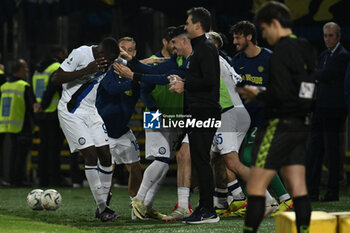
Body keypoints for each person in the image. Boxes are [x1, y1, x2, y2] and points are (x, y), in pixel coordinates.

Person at [237, 2, 316, 233]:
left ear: (274, 23)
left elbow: (280, 94)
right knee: (299, 188)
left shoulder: (281, 51)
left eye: (264, 28)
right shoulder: (305, 46)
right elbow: (309, 88)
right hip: (300, 124)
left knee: (256, 186)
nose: (263, 34)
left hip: (278, 125)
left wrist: (257, 93)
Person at [115, 27, 193, 221]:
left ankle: (145, 207)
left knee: (165, 163)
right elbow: (146, 88)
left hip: (177, 116)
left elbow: (163, 74)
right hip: (155, 114)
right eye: (171, 42)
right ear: (165, 42)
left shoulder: (179, 61)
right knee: (161, 159)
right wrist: (155, 111)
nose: (173, 46)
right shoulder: (158, 60)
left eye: (175, 42)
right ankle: (139, 202)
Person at [52, 37, 120, 222]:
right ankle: (102, 208)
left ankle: (103, 201)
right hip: (71, 111)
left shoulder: (109, 59)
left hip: (91, 111)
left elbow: (127, 62)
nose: (111, 64)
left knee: (106, 156)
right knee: (91, 155)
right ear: (101, 54)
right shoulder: (80, 53)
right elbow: (56, 78)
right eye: (110, 60)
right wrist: (86, 70)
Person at [230, 20, 293, 216]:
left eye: (238, 37)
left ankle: (283, 199)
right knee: (244, 159)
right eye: (233, 37)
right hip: (245, 118)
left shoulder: (269, 58)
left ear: (249, 37)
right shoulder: (237, 60)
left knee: (251, 157)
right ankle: (271, 199)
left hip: (266, 116)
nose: (234, 41)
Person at [169, 7, 221, 224]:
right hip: (199, 110)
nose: (185, 26)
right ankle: (205, 207)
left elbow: (210, 81)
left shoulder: (206, 48)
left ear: (198, 25)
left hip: (205, 110)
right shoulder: (200, 48)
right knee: (200, 160)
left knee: (201, 160)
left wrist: (185, 85)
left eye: (188, 22)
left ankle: (208, 210)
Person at [96, 36, 143, 220]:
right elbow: (112, 89)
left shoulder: (133, 73)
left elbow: (145, 94)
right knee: (107, 171)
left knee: (136, 168)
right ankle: (102, 207)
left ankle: (136, 207)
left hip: (122, 130)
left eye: (129, 50)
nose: (125, 53)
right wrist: (135, 79)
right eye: (122, 48)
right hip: (103, 131)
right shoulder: (105, 70)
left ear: (134, 53)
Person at [306, 22, 350, 202]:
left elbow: (325, 75)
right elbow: (319, 76)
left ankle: (332, 191)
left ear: (338, 36)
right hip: (319, 110)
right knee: (313, 152)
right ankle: (312, 191)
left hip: (334, 111)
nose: (327, 39)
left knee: (332, 153)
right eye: (325, 36)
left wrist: (312, 73)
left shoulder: (343, 56)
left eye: (331, 35)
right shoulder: (323, 55)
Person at [32, 45, 67, 186]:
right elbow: (52, 89)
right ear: (59, 53)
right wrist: (45, 105)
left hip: (40, 114)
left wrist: (38, 105)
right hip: (53, 113)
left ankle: (43, 178)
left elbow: (35, 89)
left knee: (43, 147)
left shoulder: (38, 69)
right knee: (54, 149)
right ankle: (55, 179)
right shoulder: (57, 67)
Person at [0, 59, 35, 186]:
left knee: (13, 153)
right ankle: (18, 180)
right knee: (20, 154)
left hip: (5, 124)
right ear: (20, 70)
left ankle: (11, 179)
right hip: (21, 124)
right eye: (25, 68)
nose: (26, 70)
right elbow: (31, 107)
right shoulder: (24, 86)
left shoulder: (4, 86)